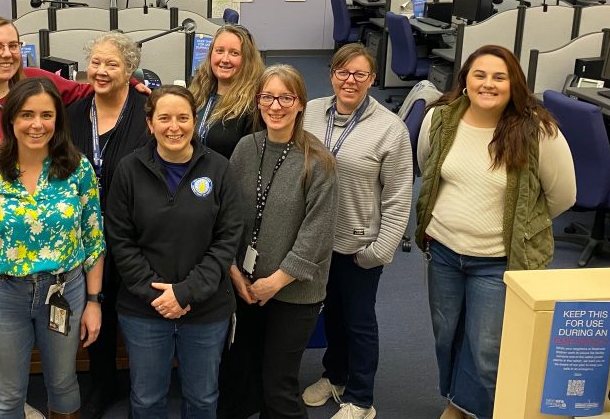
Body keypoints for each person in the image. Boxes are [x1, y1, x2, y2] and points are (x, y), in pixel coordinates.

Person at [0, 13, 102, 419]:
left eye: (46, 115)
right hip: (1, 292)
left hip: (63, 290)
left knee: (63, 382)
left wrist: (94, 300)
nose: (37, 124)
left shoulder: (77, 169)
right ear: (10, 121)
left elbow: (93, 240)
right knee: (7, 393)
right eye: (26, 115)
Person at [415, 45, 576, 419]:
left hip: (498, 261)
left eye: (499, 77)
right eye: (480, 75)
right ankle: (457, 402)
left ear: (513, 83)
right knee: (446, 336)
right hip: (442, 251)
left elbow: (563, 196)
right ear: (465, 80)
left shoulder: (538, 131)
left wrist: (521, 223)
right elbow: (428, 169)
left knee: (486, 350)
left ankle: (483, 409)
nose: (488, 84)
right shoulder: (439, 118)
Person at [104, 86, 244, 419]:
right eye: (164, 118)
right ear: (149, 124)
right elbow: (120, 239)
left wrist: (185, 293)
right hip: (144, 308)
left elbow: (227, 239)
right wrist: (159, 296)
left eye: (183, 118)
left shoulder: (219, 169)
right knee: (147, 398)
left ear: (195, 121)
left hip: (206, 308)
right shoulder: (128, 170)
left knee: (202, 398)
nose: (174, 127)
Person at [300, 44, 413, 419]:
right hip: (318, 240)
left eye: (360, 74)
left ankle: (362, 399)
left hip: (359, 244)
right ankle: (335, 375)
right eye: (343, 72)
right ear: (331, 73)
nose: (350, 81)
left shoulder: (389, 129)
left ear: (372, 80)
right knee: (330, 313)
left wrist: (378, 251)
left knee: (359, 321)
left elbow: (398, 196)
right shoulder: (313, 111)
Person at [219, 64, 337, 419]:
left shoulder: (318, 161)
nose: (276, 106)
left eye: (286, 97)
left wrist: (278, 280)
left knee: (278, 387)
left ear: (301, 104)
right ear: (258, 102)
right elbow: (228, 215)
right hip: (246, 286)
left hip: (293, 292)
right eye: (267, 97)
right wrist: (234, 271)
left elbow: (317, 234)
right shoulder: (245, 148)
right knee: (240, 377)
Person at [66, 33, 151, 419]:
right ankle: (102, 382)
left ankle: (144, 384)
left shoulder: (147, 111)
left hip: (136, 231)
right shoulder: (74, 113)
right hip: (86, 232)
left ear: (129, 70)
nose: (100, 71)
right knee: (93, 305)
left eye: (111, 64)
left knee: (133, 307)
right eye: (95, 62)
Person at [189, 25, 265, 159]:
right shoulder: (197, 94)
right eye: (219, 51)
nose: (225, 59)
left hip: (227, 178)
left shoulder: (253, 107)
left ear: (247, 60)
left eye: (234, 53)